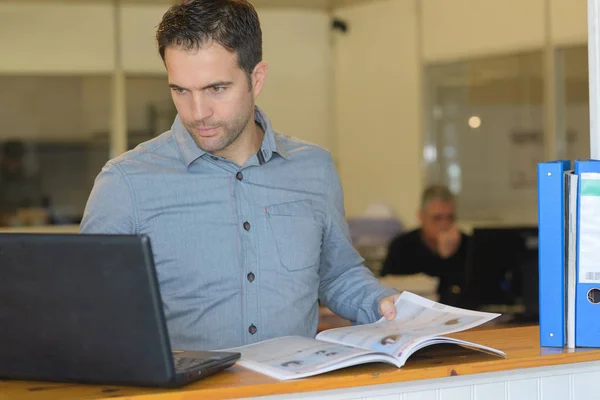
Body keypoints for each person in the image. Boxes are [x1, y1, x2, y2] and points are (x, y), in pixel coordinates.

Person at [80, 0, 399, 351]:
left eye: (216, 88)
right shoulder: (125, 183)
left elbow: (337, 273)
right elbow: (91, 313)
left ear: (256, 78)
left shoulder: (315, 168)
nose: (198, 112)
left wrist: (386, 305)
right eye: (180, 90)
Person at [380, 185, 469, 306]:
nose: (445, 224)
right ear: (421, 216)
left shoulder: (467, 243)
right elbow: (387, 287)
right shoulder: (402, 246)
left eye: (450, 217)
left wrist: (448, 256)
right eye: (437, 218)